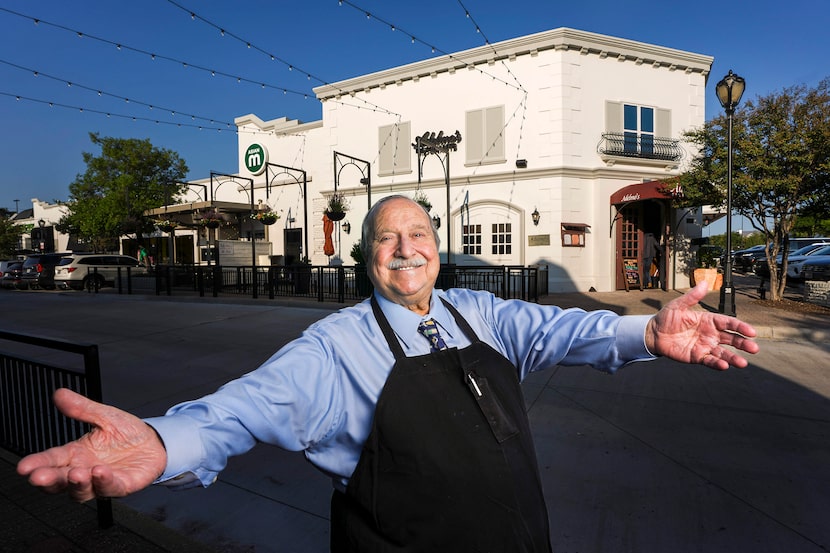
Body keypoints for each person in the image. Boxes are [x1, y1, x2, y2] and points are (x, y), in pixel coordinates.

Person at [18, 195, 759, 552]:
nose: (405, 250)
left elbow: (569, 331)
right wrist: (160, 440)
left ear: (438, 245)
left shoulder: (480, 312)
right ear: (363, 255)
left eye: (419, 235)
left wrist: (646, 331)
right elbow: (241, 410)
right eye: (386, 239)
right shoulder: (334, 348)